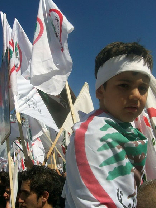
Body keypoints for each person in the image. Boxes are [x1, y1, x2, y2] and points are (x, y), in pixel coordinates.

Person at [63, 42, 154, 207]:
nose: (136, 95)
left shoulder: (129, 130)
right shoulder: (91, 135)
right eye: (124, 86)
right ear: (100, 91)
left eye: (142, 87)